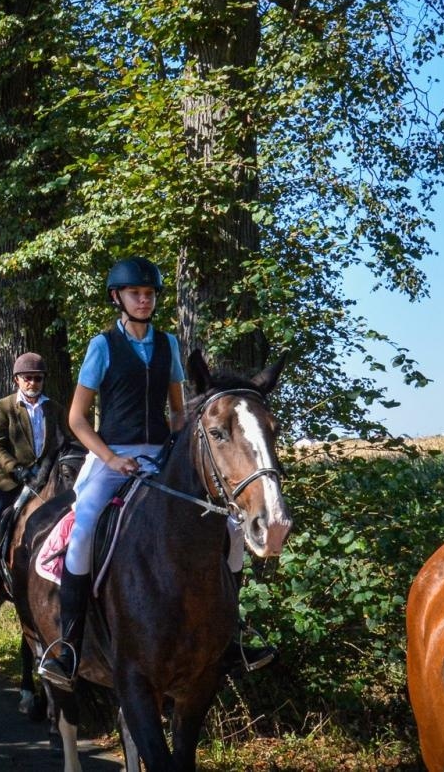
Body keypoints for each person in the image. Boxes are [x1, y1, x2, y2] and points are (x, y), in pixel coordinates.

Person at [38, 256, 272, 689]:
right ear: (118, 298)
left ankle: (235, 635)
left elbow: (180, 413)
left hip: (161, 456)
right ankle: (67, 648)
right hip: (112, 457)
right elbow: (76, 419)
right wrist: (110, 459)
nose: (143, 300)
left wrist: (179, 451)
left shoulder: (167, 345)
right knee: (84, 527)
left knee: (233, 530)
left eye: (148, 294)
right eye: (135, 294)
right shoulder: (102, 346)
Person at [0, 351, 71, 599]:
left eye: (38, 378)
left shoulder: (56, 409)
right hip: (11, 480)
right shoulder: (3, 407)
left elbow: (66, 443)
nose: (33, 383)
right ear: (17, 379)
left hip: (48, 479)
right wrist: (17, 469)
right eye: (27, 378)